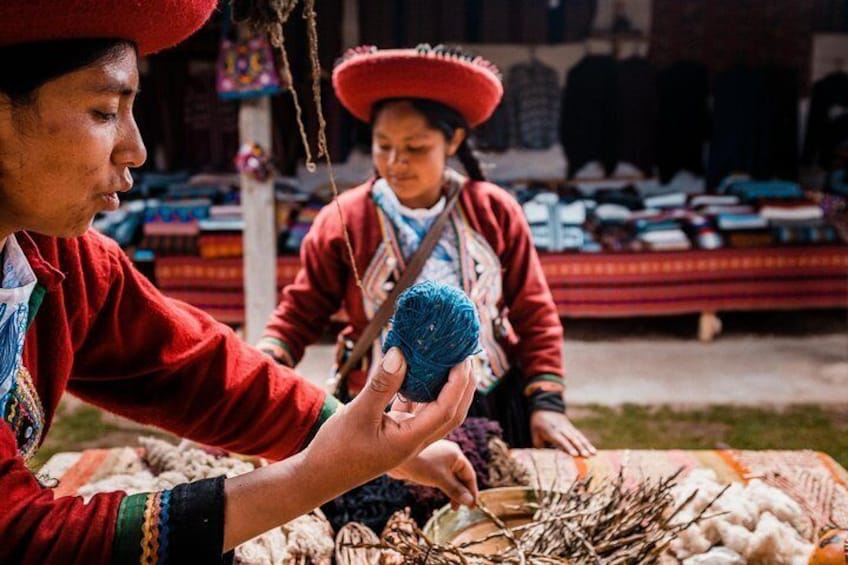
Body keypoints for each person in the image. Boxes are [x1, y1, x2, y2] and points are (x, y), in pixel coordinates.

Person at [0, 3, 479, 563]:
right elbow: (21, 538)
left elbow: (191, 367)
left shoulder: (58, 260)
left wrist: (360, 431)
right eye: (105, 111)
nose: (136, 151)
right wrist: (313, 475)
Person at [259, 45, 597, 457]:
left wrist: (547, 405)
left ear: (453, 140)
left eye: (415, 148)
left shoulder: (495, 211)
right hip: (377, 409)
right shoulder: (344, 220)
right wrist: (258, 376)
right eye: (383, 146)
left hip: (488, 403)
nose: (396, 162)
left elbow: (534, 312)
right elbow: (299, 313)